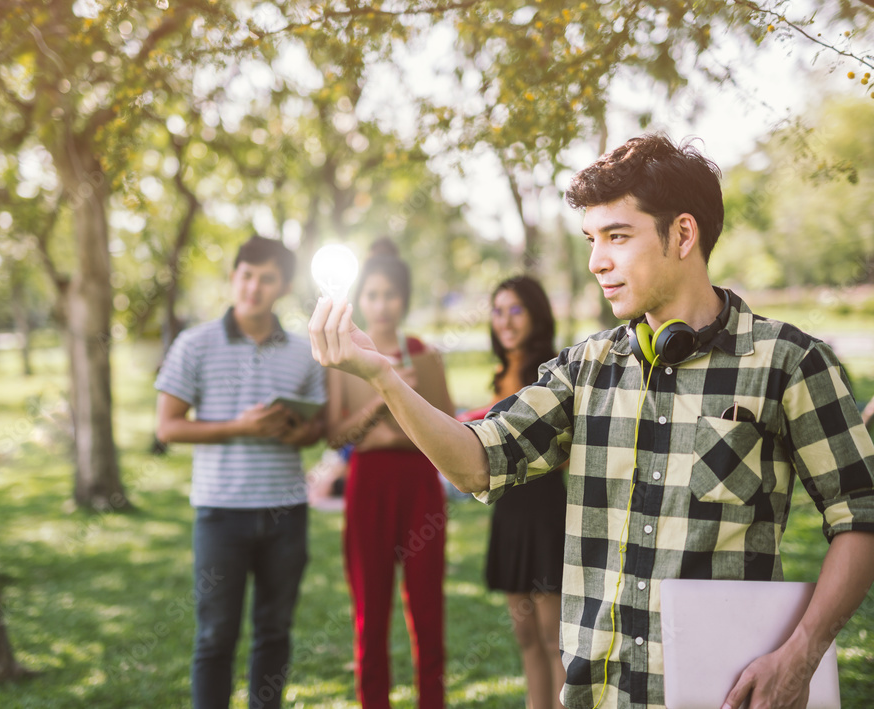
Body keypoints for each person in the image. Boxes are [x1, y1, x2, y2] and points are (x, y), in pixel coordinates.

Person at [308, 134, 874, 709]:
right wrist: (382, 376)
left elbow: (861, 517)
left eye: (617, 237)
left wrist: (802, 653)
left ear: (682, 234)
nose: (596, 261)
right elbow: (478, 464)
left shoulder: (790, 362)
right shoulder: (583, 369)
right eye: (590, 239)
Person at [155, 234, 326, 709]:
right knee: (215, 636)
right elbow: (167, 428)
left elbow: (316, 429)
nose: (253, 287)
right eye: (246, 275)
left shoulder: (301, 350)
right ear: (233, 278)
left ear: (283, 286)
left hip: (285, 513)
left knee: (274, 632)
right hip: (220, 514)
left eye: (265, 278)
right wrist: (240, 426)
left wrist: (297, 434)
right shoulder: (194, 344)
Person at [325, 238, 454, 709]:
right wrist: (385, 397)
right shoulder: (344, 358)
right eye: (372, 295)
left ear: (404, 298)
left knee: (426, 610)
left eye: (391, 295)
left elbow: (448, 430)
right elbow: (336, 435)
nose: (381, 305)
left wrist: (400, 415)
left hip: (419, 485)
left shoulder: (424, 355)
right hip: (368, 487)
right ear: (361, 299)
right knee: (370, 613)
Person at [463, 276, 567, 709]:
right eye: (498, 310)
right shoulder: (499, 374)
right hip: (509, 513)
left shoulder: (551, 372)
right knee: (525, 634)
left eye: (516, 310)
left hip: (546, 513)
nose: (505, 321)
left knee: (551, 634)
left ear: (536, 315)